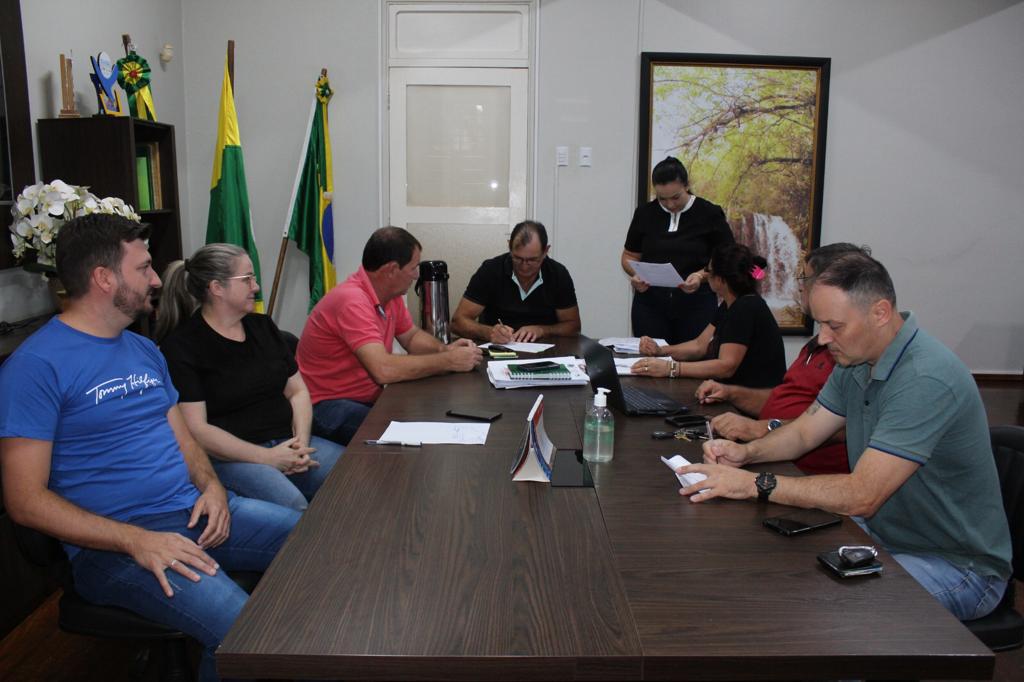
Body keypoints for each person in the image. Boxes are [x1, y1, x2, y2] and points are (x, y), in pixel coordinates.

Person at [0, 214, 300, 682]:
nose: (157, 279)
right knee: (248, 636)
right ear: (104, 278)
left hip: (191, 514)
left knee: (319, 546)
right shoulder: (35, 366)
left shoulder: (143, 350)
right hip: (115, 546)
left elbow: (185, 440)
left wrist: (212, 489)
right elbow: (24, 501)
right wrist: (136, 540)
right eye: (143, 268)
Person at [678, 252, 1012, 621]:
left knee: (833, 614)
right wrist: (747, 454)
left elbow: (862, 495)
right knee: (776, 575)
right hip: (888, 537)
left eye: (834, 325)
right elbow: (805, 431)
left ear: (880, 313)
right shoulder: (856, 360)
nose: (823, 339)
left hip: (959, 567)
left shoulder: (925, 379)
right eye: (821, 324)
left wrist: (753, 484)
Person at [156, 244, 343, 512]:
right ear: (217, 288)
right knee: (294, 507)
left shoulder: (263, 326)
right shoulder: (182, 346)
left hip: (288, 443)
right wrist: (268, 457)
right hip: (234, 458)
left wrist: (300, 443)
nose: (255, 287)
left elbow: (297, 391)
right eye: (247, 279)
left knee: (356, 476)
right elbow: (197, 429)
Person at [693, 243, 869, 475]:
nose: (799, 286)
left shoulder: (850, 353)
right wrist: (731, 393)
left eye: (804, 278)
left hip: (806, 473)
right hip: (774, 455)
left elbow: (838, 426)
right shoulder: (819, 343)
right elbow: (783, 399)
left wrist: (762, 428)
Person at [298, 226, 484, 445]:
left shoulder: (390, 295)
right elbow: (383, 370)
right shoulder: (352, 301)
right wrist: (448, 361)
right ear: (392, 270)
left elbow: (411, 337)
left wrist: (445, 349)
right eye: (413, 268)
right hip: (325, 405)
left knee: (423, 419)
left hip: (364, 398)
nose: (416, 275)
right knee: (407, 438)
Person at [630, 242, 786, 388]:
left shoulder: (745, 307)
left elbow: (726, 366)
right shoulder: (730, 304)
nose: (705, 274)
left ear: (720, 279)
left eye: (708, 270)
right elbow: (699, 345)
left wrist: (670, 368)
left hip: (754, 396)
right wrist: (661, 351)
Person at [621, 156, 734, 344]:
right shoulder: (645, 213)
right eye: (662, 199)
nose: (670, 204)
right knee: (650, 356)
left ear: (687, 186)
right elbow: (629, 255)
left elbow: (728, 257)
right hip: (650, 305)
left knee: (696, 356)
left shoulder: (710, 213)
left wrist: (700, 276)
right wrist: (636, 274)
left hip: (697, 303)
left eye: (676, 197)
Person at [450, 220, 581, 343]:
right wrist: (488, 332)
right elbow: (457, 322)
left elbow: (573, 326)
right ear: (509, 247)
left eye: (532, 260)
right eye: (517, 258)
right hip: (498, 350)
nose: (524, 266)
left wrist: (543, 330)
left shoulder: (558, 274)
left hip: (546, 352)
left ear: (545, 251)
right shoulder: (491, 270)